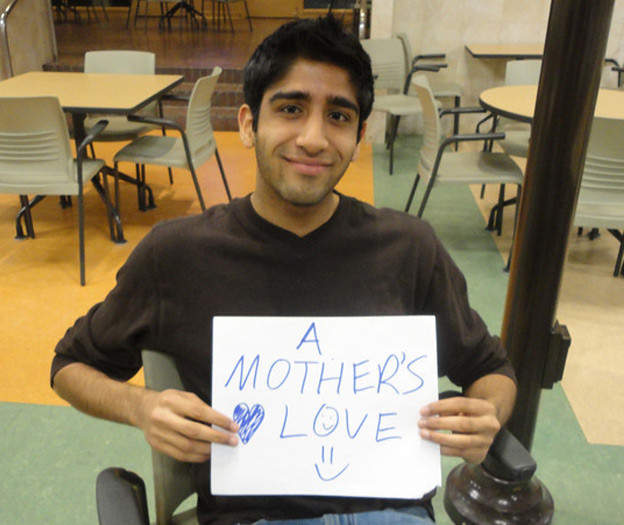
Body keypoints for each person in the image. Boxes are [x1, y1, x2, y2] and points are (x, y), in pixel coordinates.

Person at [51, 16, 516, 525]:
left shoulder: (408, 248)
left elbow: (491, 370)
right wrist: (140, 407)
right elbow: (69, 367)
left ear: (360, 136)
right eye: (291, 109)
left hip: (392, 511)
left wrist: (487, 414)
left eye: (338, 117)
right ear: (249, 125)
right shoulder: (178, 254)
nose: (314, 138)